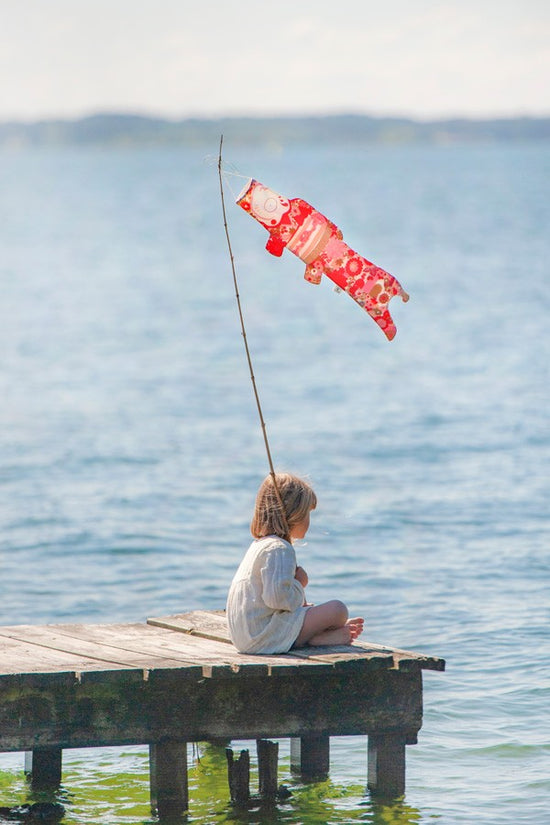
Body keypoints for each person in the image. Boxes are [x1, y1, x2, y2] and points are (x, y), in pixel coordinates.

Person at [226, 472, 364, 654]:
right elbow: (277, 597)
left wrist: (302, 606)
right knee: (338, 610)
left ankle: (318, 634)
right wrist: (300, 583)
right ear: (294, 514)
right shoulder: (279, 548)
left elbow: (272, 600)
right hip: (264, 637)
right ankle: (316, 638)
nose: (309, 521)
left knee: (317, 610)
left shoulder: (259, 546)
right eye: (307, 513)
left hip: (248, 636)